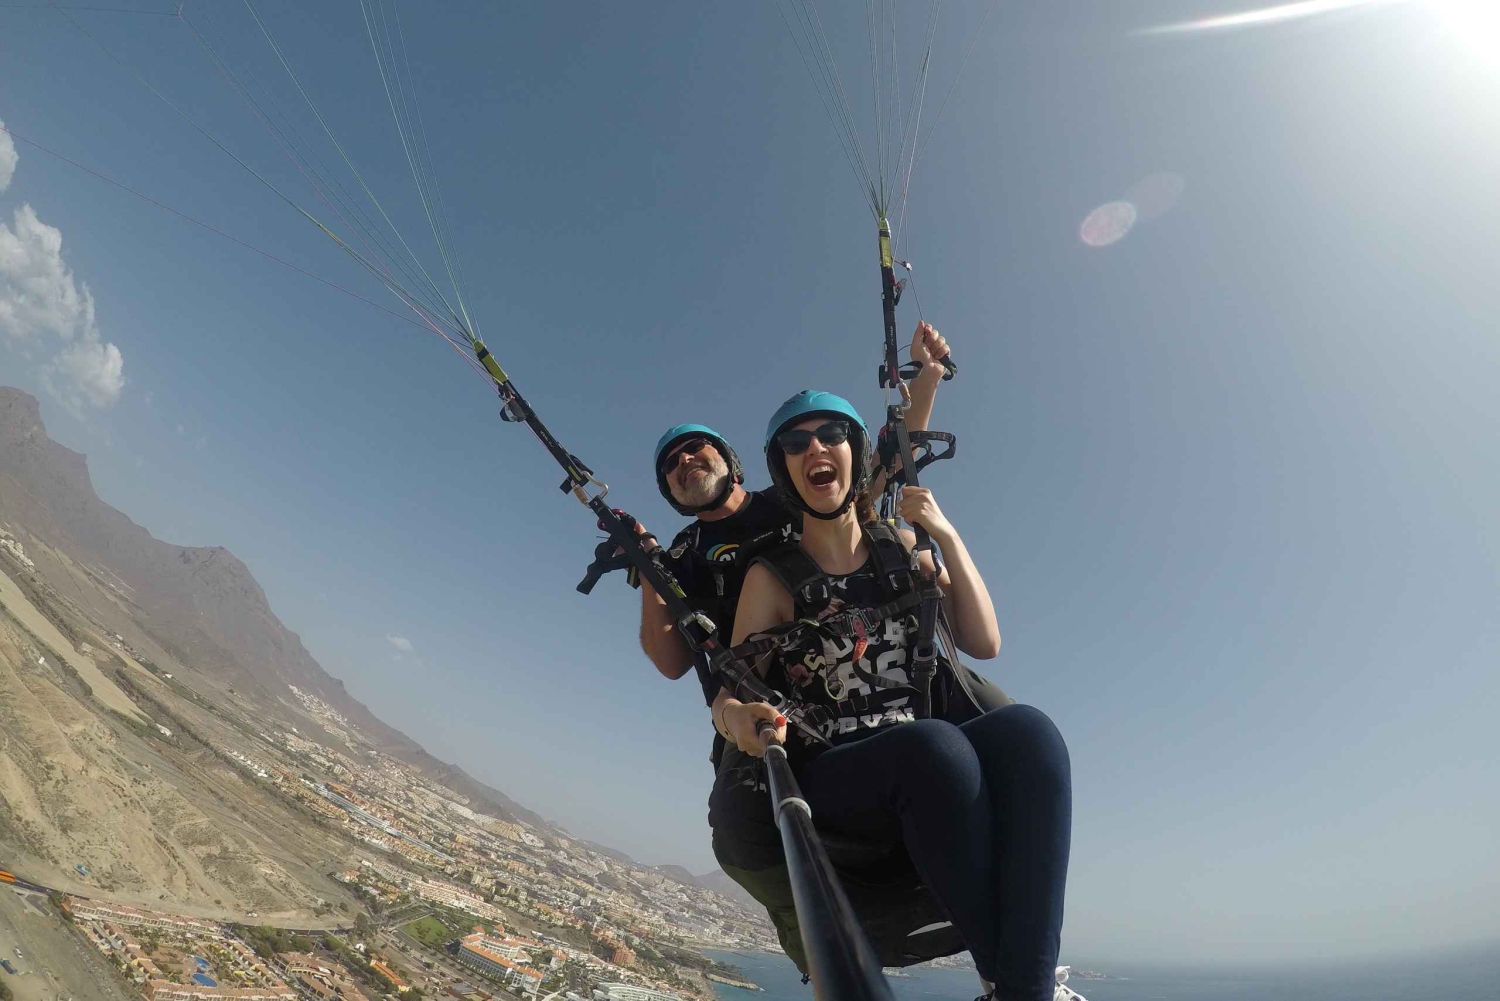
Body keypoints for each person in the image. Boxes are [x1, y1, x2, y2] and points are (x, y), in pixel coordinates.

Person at [711, 390, 1073, 1001]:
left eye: (831, 435)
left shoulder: (900, 549)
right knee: (933, 748)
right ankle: (1014, 986)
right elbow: (729, 694)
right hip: (836, 769)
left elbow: (983, 642)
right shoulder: (771, 577)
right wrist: (739, 720)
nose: (815, 448)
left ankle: (1025, 990)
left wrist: (943, 534)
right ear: (784, 468)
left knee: (1030, 733)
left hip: (924, 746)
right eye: (797, 443)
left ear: (855, 453)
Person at [638, 323, 951, 765]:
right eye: (671, 464)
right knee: (737, 806)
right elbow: (672, 664)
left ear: (729, 458)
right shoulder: (680, 556)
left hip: (861, 679)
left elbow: (886, 462)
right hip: (755, 715)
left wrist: (928, 374)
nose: (684, 459)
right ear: (670, 490)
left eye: (695, 447)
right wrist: (648, 568)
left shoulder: (796, 497)